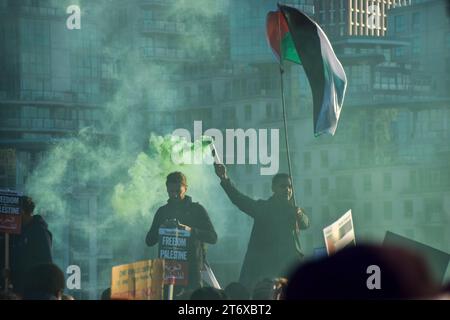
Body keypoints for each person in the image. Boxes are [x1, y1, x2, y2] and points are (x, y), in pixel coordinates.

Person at [214, 163, 309, 291]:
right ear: (273, 188)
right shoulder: (264, 208)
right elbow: (240, 200)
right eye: (283, 186)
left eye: (289, 186)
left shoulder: (294, 210)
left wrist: (300, 214)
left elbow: (305, 224)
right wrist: (225, 179)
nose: (287, 189)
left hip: (290, 267)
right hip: (267, 270)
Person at [146, 171, 217, 292]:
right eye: (170, 192)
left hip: (192, 271)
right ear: (167, 189)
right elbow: (149, 241)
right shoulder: (162, 211)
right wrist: (161, 229)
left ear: (186, 188)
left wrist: (190, 230)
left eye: (177, 191)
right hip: (169, 272)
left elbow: (213, 237)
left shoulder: (197, 209)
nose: (174, 195)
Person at [7, 196, 53, 295]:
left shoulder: (39, 231)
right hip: (20, 290)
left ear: (22, 212)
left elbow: (46, 263)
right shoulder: (18, 233)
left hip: (34, 291)